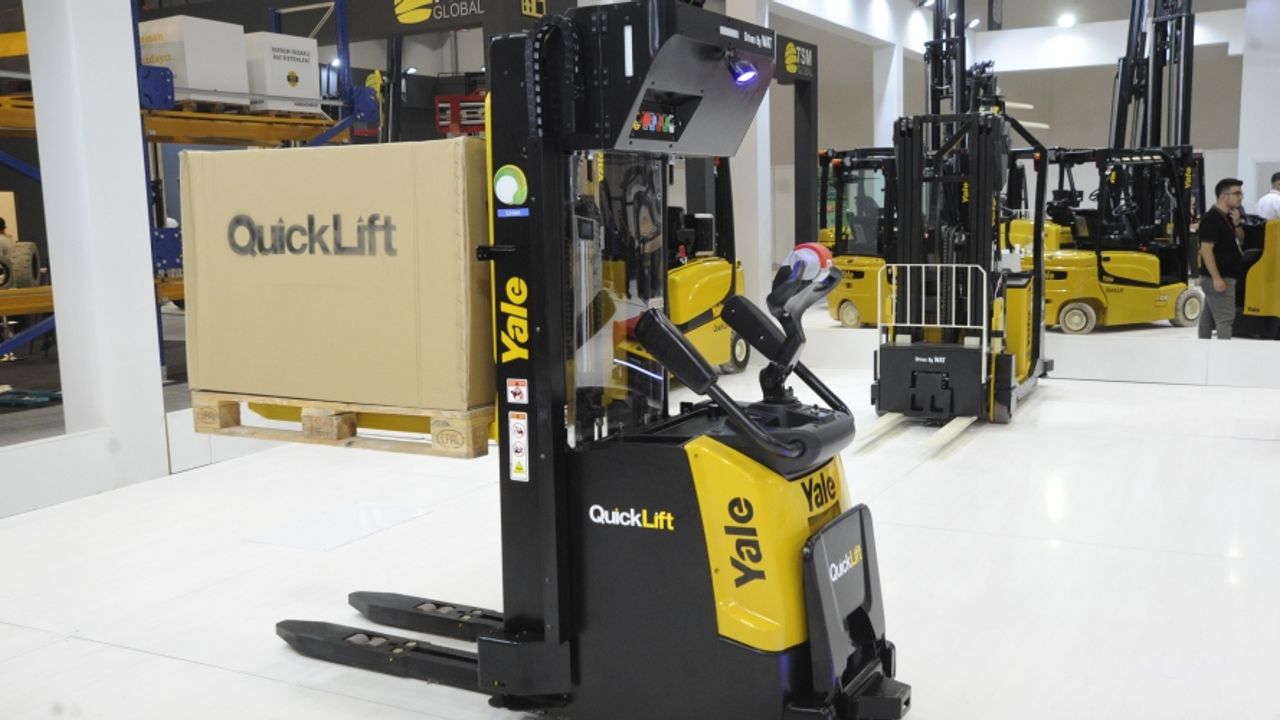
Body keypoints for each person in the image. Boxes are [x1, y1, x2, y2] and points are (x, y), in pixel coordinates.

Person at [1198, 178, 1246, 340]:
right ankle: (1224, 352)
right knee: (1225, 319)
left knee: (1208, 317)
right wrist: (1217, 278)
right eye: (1237, 193)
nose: (1240, 197)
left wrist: (1237, 224)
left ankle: (1203, 348)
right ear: (1224, 196)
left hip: (1224, 275)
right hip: (1219, 276)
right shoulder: (1211, 219)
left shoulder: (1228, 217)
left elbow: (1240, 241)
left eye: (1241, 193)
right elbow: (1206, 251)